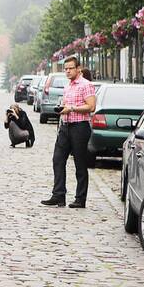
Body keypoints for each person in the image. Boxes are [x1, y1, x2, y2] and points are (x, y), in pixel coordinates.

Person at [42, 56, 96, 209]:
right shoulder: (68, 86)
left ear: (78, 68)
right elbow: (67, 104)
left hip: (80, 127)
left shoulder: (86, 85)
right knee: (57, 159)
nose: (67, 71)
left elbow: (91, 106)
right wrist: (63, 108)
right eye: (65, 69)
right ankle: (58, 195)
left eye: (70, 68)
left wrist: (71, 108)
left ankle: (80, 198)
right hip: (66, 126)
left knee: (80, 163)